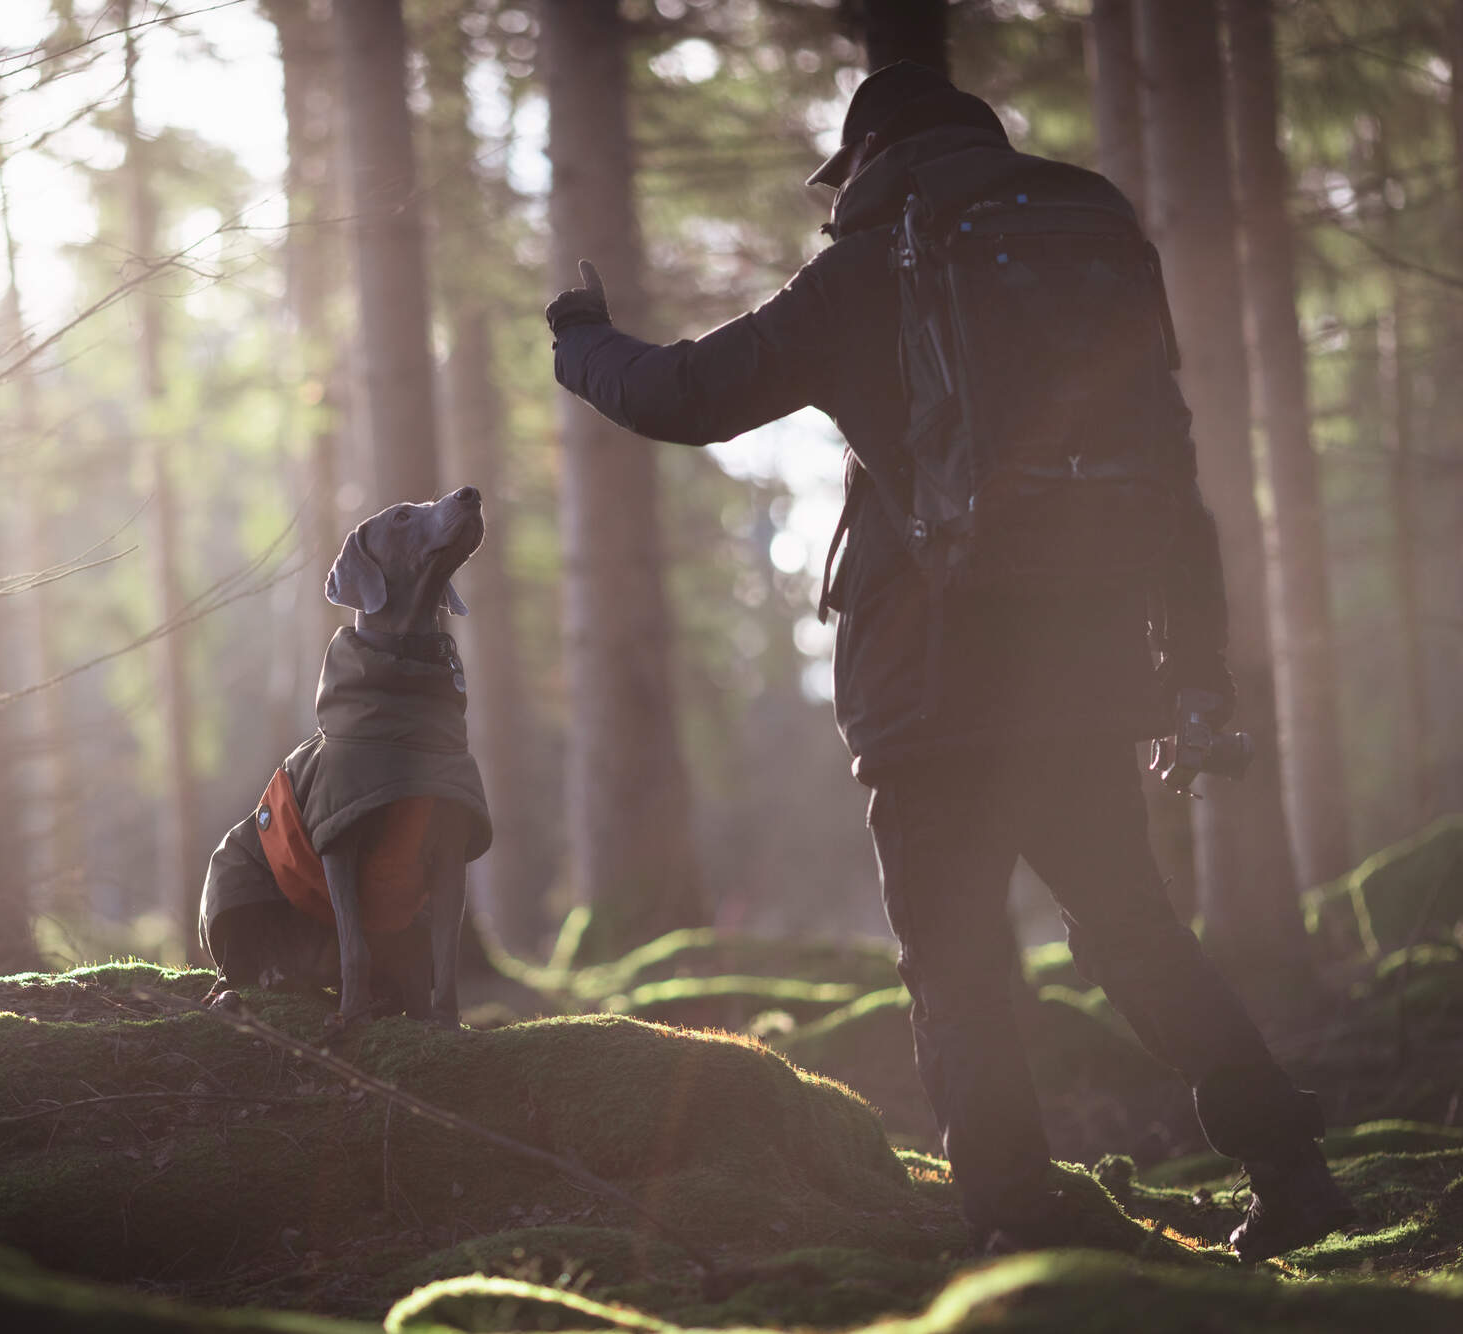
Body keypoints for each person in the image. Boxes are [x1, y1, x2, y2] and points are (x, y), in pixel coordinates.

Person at [543, 60, 1352, 1260]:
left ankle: (1016, 1222)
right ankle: (1290, 1167)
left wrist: (582, 339)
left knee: (956, 955)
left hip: (930, 683)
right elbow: (1172, 480)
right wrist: (1195, 668)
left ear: (869, 158)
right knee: (1131, 925)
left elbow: (689, 392)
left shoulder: (874, 266)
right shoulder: (1090, 252)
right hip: (1081, 664)